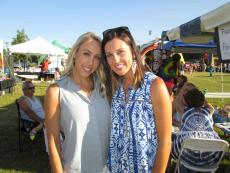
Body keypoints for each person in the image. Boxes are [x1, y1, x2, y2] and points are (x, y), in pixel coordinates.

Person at [101, 26, 172, 173]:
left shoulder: (154, 85)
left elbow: (165, 142)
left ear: (133, 52)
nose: (115, 60)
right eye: (109, 55)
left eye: (120, 52)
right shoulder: (114, 88)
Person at [44, 32, 110, 173]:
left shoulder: (105, 88)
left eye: (97, 57)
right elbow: (52, 141)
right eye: (86, 54)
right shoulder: (56, 91)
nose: (91, 63)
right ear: (75, 53)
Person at [172, 88, 221, 170]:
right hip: (209, 158)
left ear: (185, 101)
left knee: (172, 142)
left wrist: (183, 90)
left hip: (188, 157)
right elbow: (210, 107)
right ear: (202, 101)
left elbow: (176, 101)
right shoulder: (208, 112)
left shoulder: (185, 112)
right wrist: (200, 96)